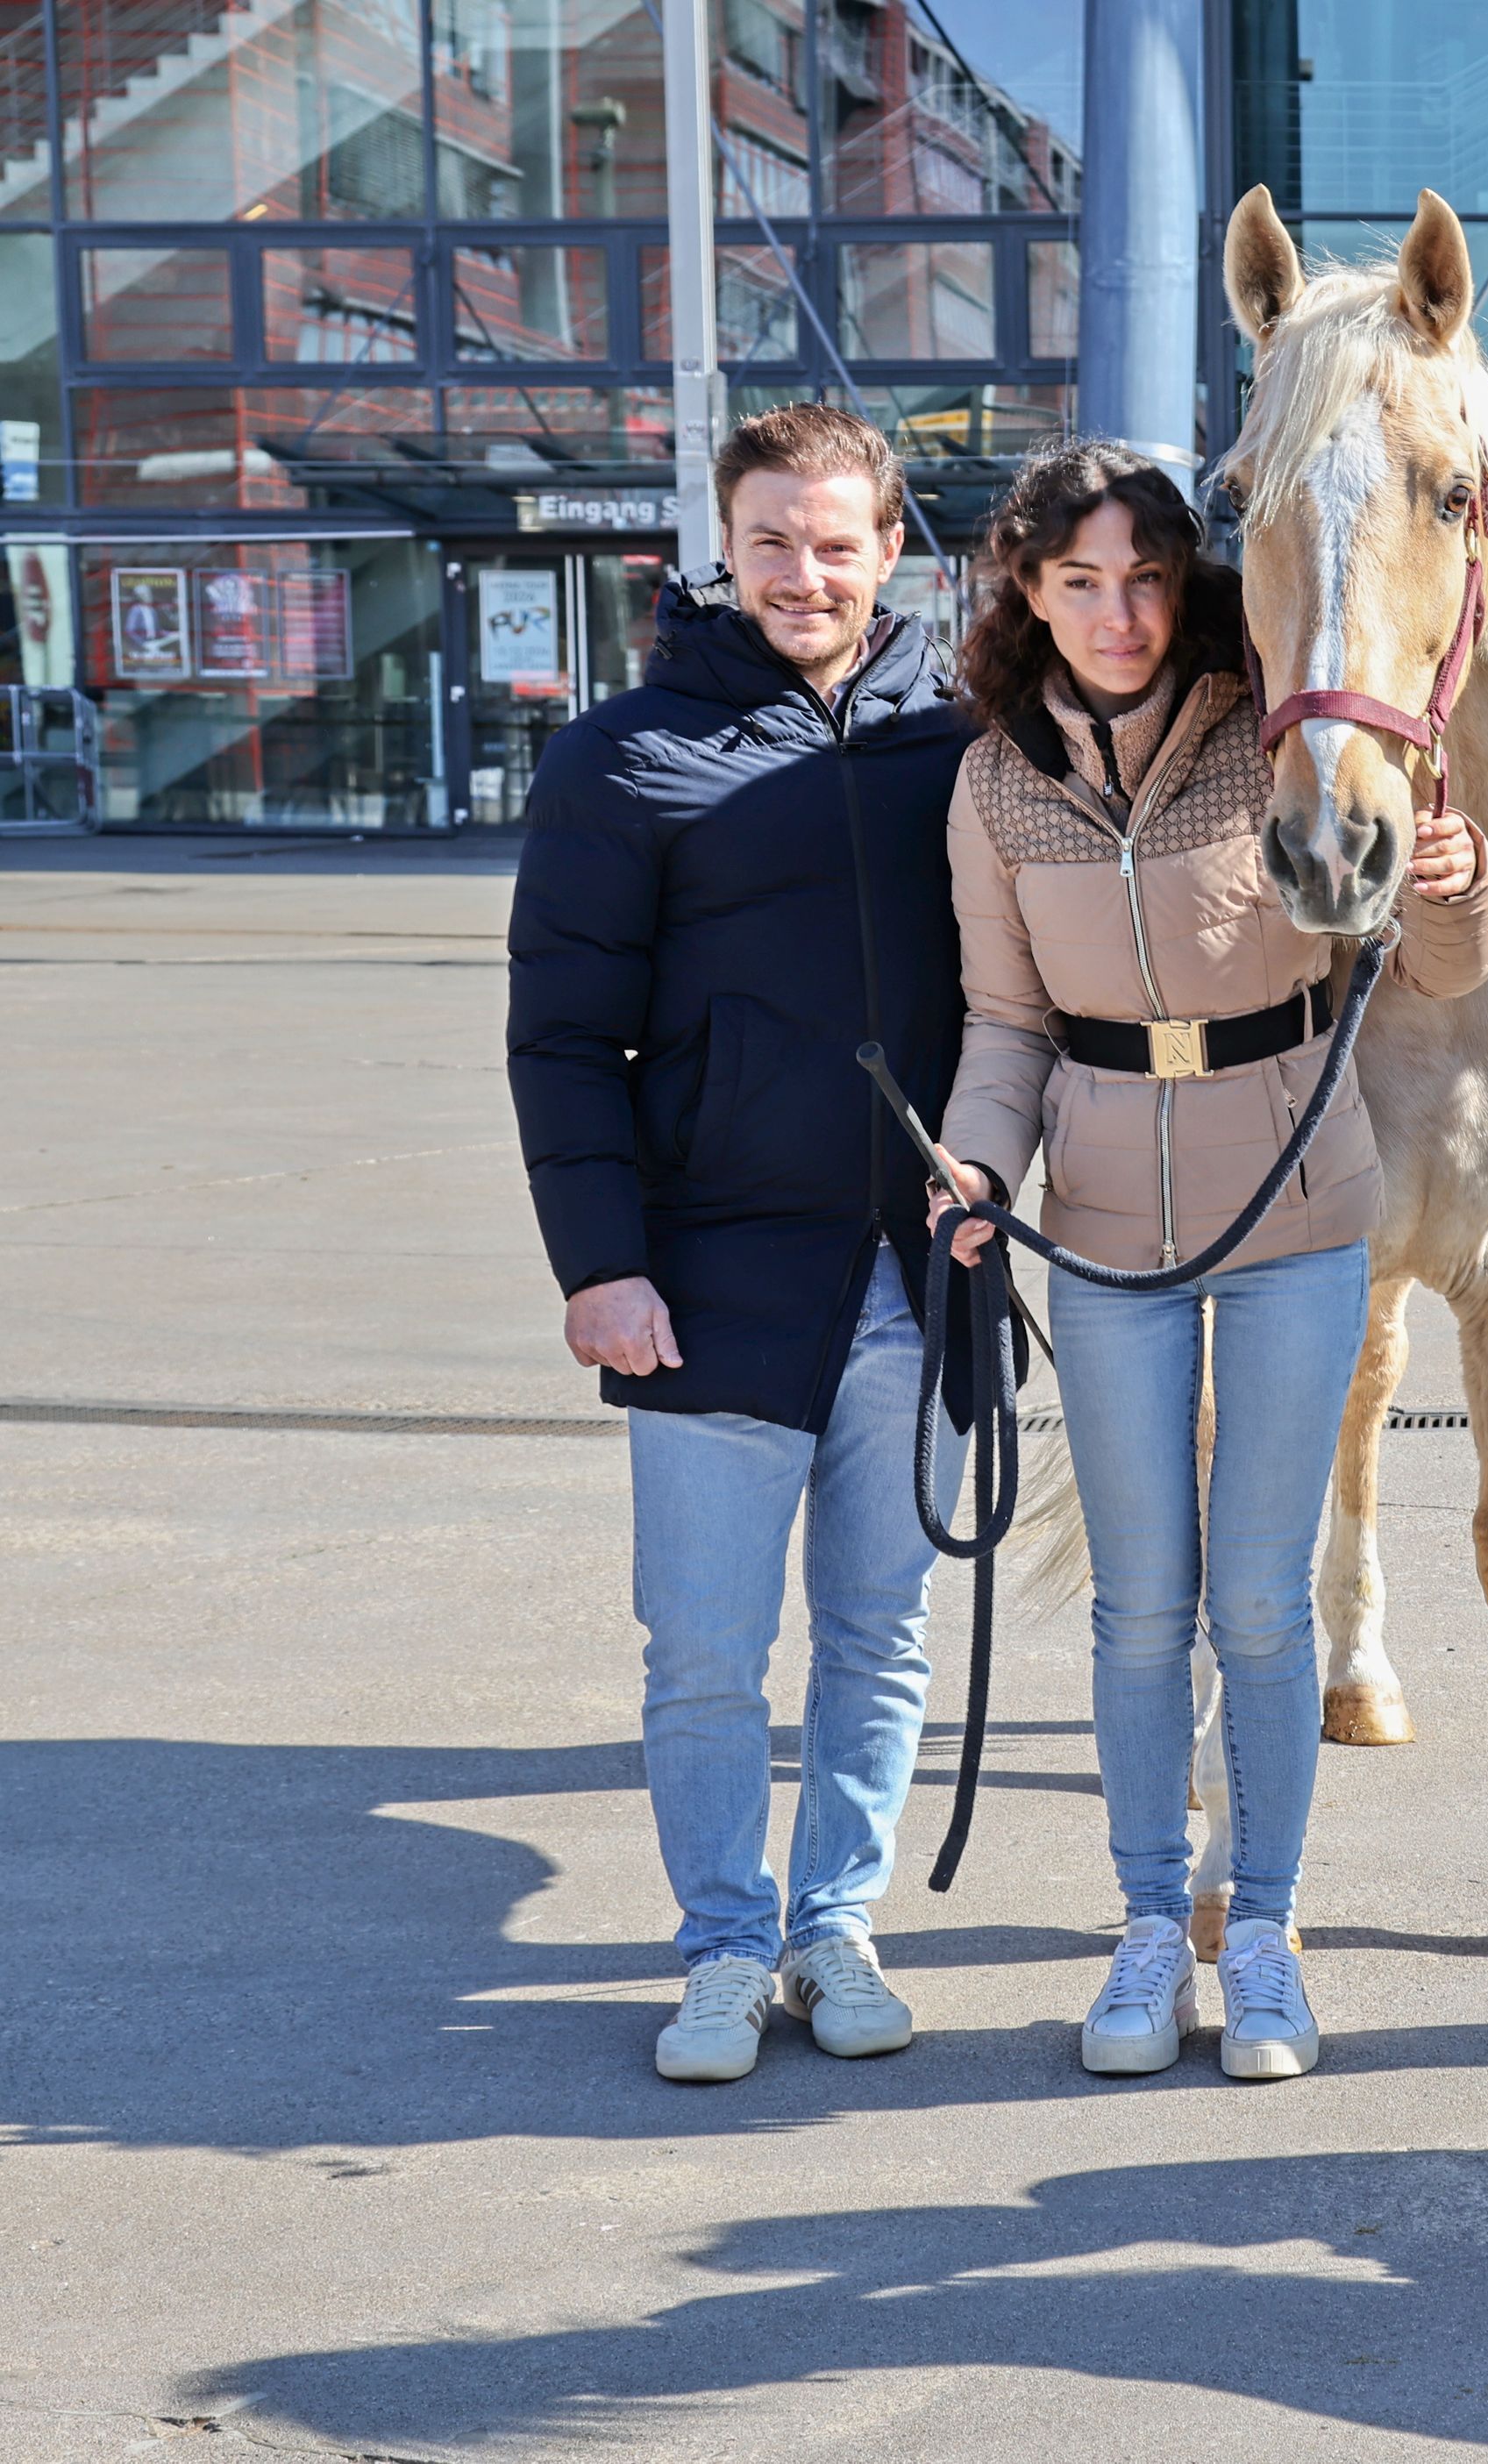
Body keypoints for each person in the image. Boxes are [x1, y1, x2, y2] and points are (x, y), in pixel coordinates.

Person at [929, 440, 1488, 2083]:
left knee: (1259, 1608)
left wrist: (1459, 887)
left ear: (1189, 590)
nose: (1117, 614)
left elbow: (1444, 956)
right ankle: (1136, 1936)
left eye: (1145, 578)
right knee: (1137, 1611)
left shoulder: (1275, 748)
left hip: (1296, 1228)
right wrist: (979, 1161)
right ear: (1028, 595)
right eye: (1078, 582)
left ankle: (1259, 1936)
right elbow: (1006, 1023)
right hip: (1102, 1235)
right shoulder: (995, 789)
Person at [506, 403, 975, 2084]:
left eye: (836, 540)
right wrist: (597, 1262)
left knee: (879, 1634)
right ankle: (720, 1944)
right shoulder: (623, 757)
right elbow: (562, 1037)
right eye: (771, 538)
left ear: (890, 550)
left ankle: (835, 1925)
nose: (804, 571)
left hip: (924, 1279)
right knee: (705, 1648)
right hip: (709, 1274)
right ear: (723, 543)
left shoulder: (975, 742)